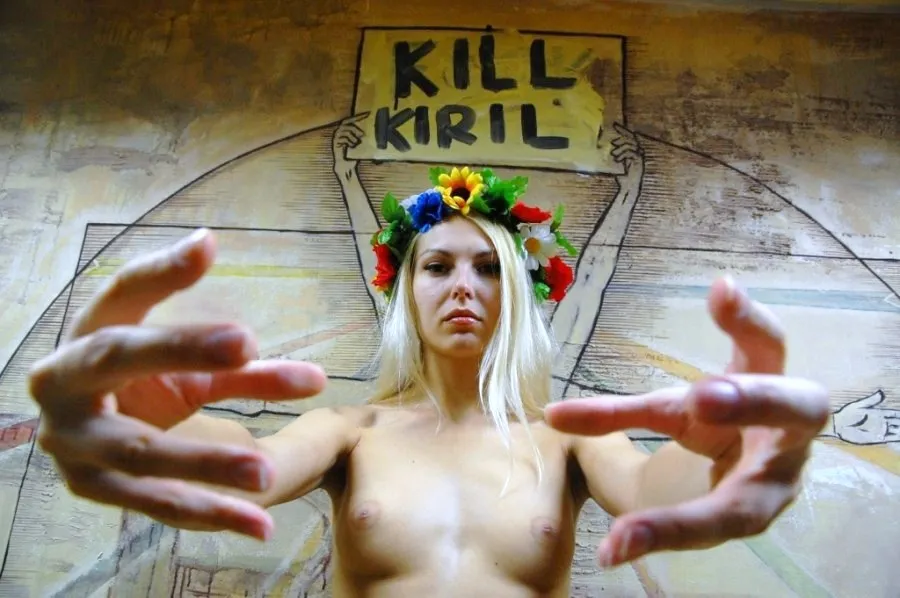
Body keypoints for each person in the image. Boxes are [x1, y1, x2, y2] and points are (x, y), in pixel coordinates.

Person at [28, 166, 829, 597]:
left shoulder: (565, 439)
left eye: (489, 268)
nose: (463, 288)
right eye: (437, 266)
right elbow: (250, 465)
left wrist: (725, 455)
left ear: (519, 293)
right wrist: (145, 419)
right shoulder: (352, 432)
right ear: (406, 293)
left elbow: (655, 490)